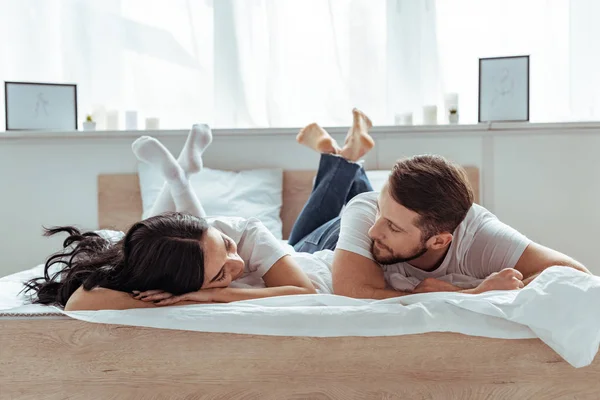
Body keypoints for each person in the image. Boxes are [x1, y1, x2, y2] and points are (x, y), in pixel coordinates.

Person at [23, 110, 373, 310]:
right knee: (330, 223)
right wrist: (180, 298)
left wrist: (215, 291)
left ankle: (345, 160)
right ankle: (344, 160)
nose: (236, 263)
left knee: (366, 212)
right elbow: (80, 303)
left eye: (227, 248)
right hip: (295, 252)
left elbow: (306, 293)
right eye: (220, 273)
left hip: (313, 254)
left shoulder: (242, 232)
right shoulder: (161, 268)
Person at [286, 118, 591, 299]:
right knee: (293, 245)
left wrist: (511, 287)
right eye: (383, 214)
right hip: (332, 236)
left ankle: (340, 159)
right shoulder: (366, 214)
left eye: (393, 226)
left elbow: (577, 275)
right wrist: (471, 294)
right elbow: (352, 292)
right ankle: (342, 161)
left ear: (440, 240)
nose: (373, 231)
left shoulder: (480, 236)